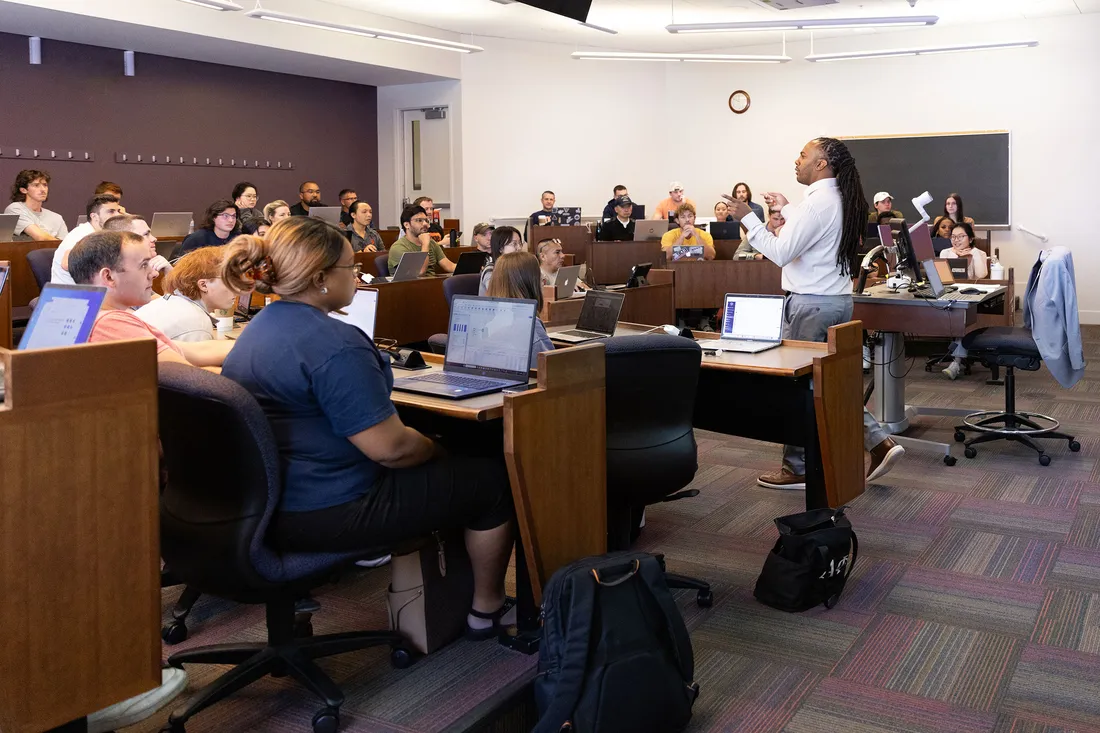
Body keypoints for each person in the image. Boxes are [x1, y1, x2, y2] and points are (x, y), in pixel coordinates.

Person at [218, 217, 517, 638]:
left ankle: (454, 591)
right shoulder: (334, 342)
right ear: (320, 278)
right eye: (348, 269)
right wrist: (435, 448)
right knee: (489, 480)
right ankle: (487, 609)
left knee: (451, 470)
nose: (357, 277)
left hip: (269, 503)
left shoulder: (256, 329)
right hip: (330, 509)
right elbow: (391, 449)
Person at [724, 136, 904, 490]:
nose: (797, 160)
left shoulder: (817, 204)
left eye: (804, 155)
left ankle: (797, 468)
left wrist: (751, 220)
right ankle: (879, 443)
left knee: (800, 386)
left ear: (821, 164)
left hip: (810, 305)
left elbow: (780, 251)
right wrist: (788, 207)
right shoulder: (836, 199)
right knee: (828, 383)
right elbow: (814, 231)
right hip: (836, 301)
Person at [69, 231, 232, 367]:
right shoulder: (110, 325)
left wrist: (250, 346)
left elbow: (194, 350)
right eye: (144, 265)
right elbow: (193, 378)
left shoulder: (91, 315)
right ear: (109, 277)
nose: (154, 273)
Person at [136, 246, 237, 341]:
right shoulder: (197, 323)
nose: (238, 289)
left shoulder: (174, 303)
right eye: (230, 281)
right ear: (203, 285)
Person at [938, 223, 988, 381]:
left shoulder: (979, 253)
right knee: (957, 315)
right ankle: (957, 359)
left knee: (962, 317)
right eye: (953, 237)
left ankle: (956, 362)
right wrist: (956, 256)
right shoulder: (945, 252)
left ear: (971, 238)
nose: (956, 240)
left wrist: (971, 255)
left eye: (961, 236)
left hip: (971, 299)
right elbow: (942, 277)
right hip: (949, 296)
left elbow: (982, 274)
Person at [486, 251, 554, 364]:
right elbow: (550, 367)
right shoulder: (529, 323)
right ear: (530, 283)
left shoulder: (488, 317)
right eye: (540, 278)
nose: (542, 282)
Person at [51, 193, 123, 284]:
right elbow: (66, 264)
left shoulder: (102, 235)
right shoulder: (81, 234)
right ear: (94, 217)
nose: (117, 215)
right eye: (111, 211)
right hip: (71, 294)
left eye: (118, 211)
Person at [388, 203, 455, 276]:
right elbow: (419, 272)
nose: (425, 224)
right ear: (407, 225)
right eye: (419, 220)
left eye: (426, 220)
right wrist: (425, 245)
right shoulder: (399, 247)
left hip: (432, 284)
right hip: (411, 286)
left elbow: (449, 266)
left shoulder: (431, 243)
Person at [101, 213, 173, 278]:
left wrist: (171, 275)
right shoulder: (120, 276)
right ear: (125, 240)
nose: (154, 239)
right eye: (146, 234)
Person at [5, 169, 68, 240]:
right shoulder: (14, 209)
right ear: (23, 190)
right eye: (36, 185)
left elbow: (67, 245)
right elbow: (40, 237)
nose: (43, 189)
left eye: (45, 185)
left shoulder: (57, 217)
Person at [480, 225, 523, 296]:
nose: (519, 248)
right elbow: (498, 295)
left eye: (520, 243)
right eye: (514, 244)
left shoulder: (518, 267)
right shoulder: (490, 270)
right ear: (500, 248)